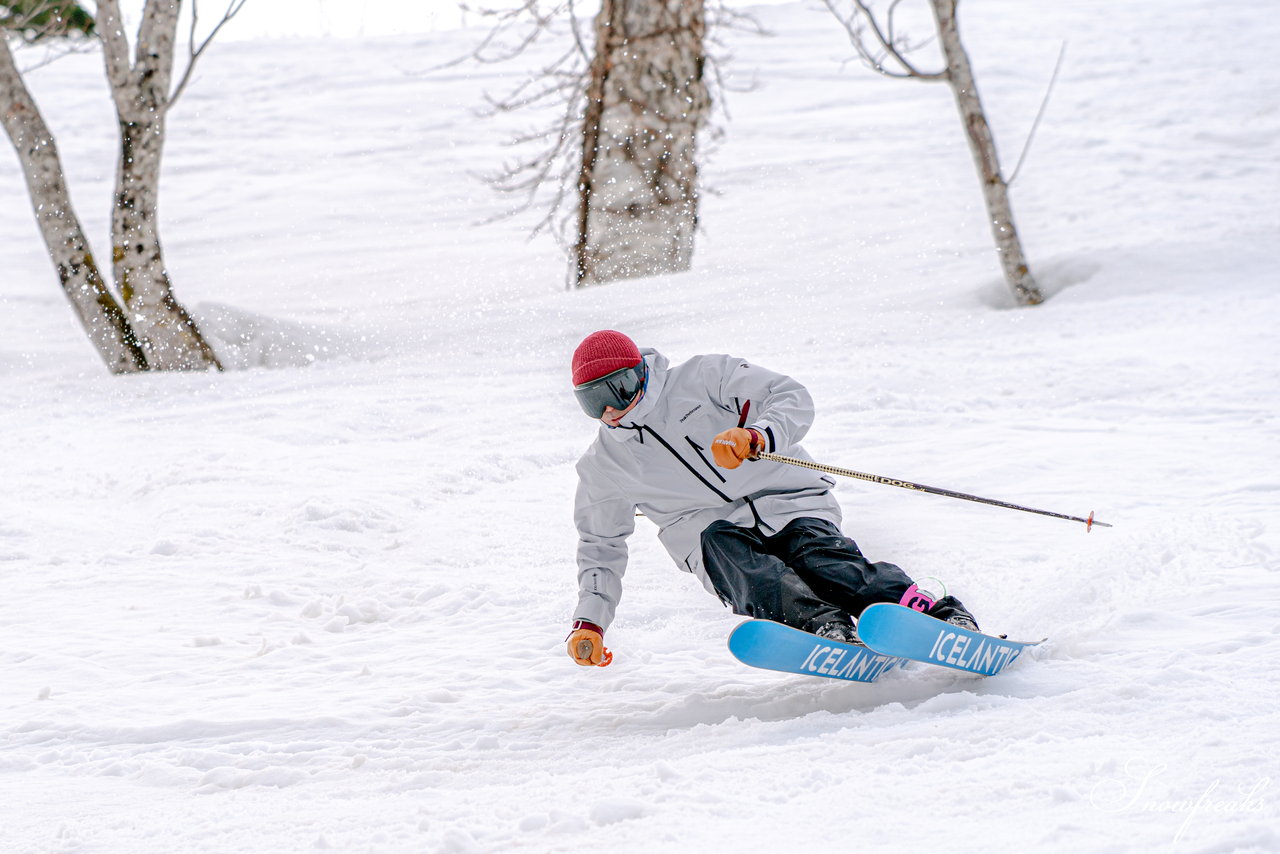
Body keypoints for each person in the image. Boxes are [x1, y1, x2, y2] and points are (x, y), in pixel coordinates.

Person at [565, 330, 978, 667]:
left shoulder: (705, 377)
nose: (608, 411)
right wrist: (591, 622)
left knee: (827, 564)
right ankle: (823, 629)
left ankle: (936, 615)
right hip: (708, 535)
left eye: (614, 392)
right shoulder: (605, 465)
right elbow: (600, 545)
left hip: (788, 498)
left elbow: (789, 396)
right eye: (591, 402)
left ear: (638, 374)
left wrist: (759, 436)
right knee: (755, 575)